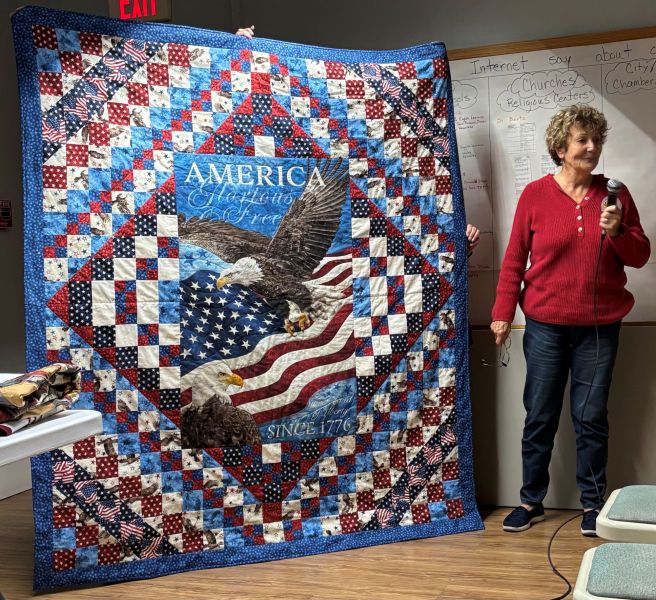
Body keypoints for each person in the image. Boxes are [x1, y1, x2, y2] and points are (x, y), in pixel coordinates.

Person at [491, 104, 650, 536]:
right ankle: (530, 501)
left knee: (591, 417)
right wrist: (502, 314)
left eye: (597, 140)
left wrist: (617, 231)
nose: (592, 147)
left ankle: (593, 505)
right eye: (582, 140)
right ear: (560, 148)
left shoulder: (616, 195)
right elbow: (514, 259)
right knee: (539, 415)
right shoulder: (534, 195)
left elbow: (639, 256)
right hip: (545, 326)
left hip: (600, 327)